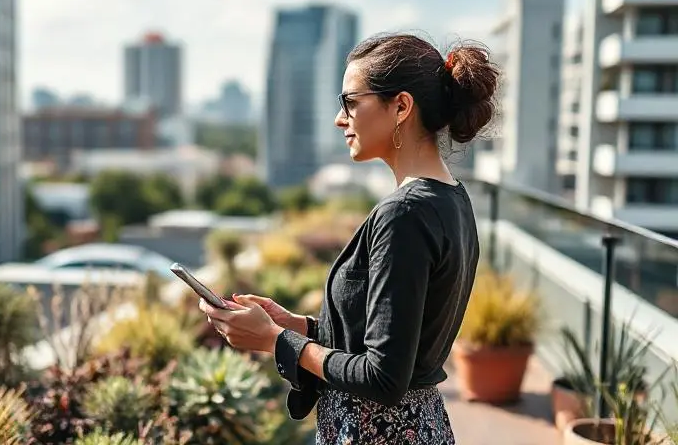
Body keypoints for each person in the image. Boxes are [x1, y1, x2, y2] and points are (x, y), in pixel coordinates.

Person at [199, 32, 499, 444]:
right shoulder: (452, 199)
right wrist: (297, 325)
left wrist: (275, 340)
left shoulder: (405, 214)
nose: (340, 119)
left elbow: (383, 376)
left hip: (376, 433)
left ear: (401, 107)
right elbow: (394, 338)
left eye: (351, 103)